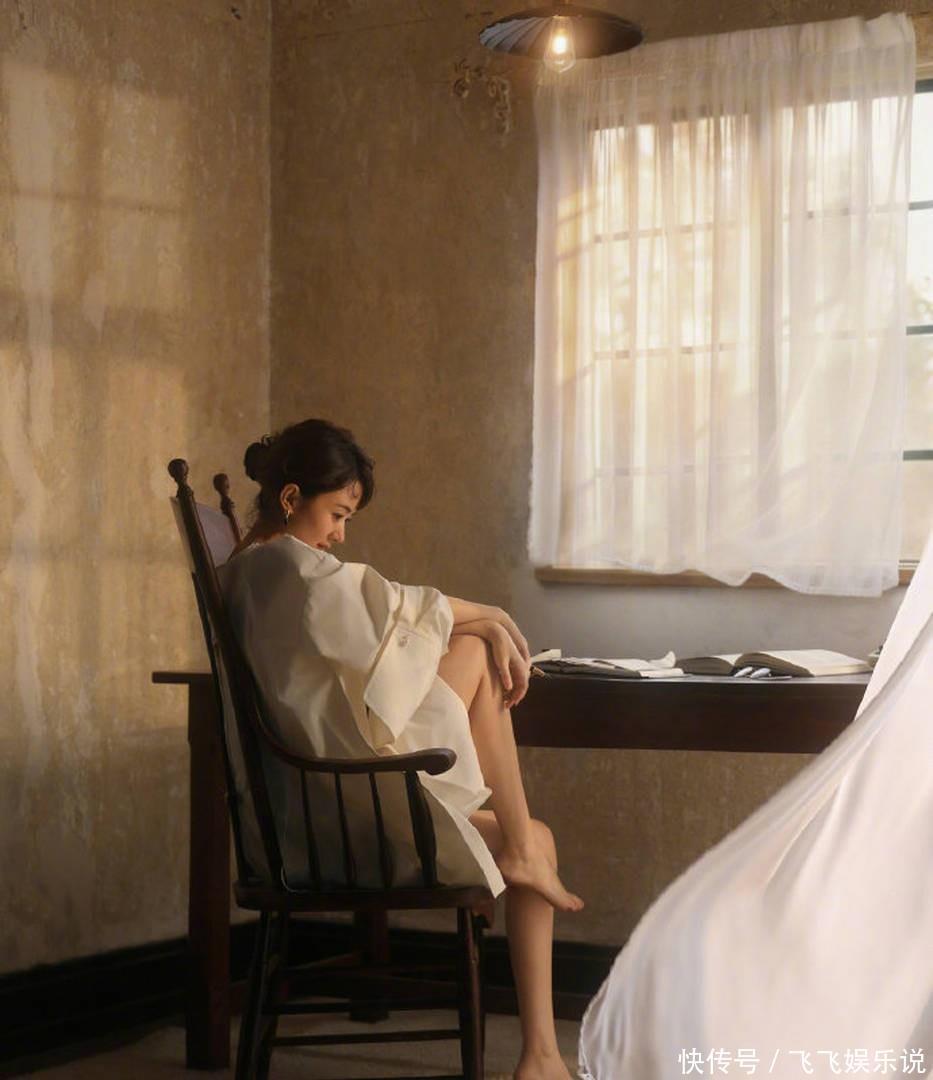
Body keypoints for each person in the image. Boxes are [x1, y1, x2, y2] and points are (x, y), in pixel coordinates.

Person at [221, 417, 583, 1080]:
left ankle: (521, 863)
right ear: (291, 497)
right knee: (533, 832)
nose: (339, 535)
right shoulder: (287, 568)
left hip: (309, 803)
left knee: (474, 653)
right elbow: (389, 607)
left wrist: (484, 625)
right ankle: (540, 1053)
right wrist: (494, 616)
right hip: (336, 819)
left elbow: (388, 622)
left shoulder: (249, 570)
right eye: (336, 514)